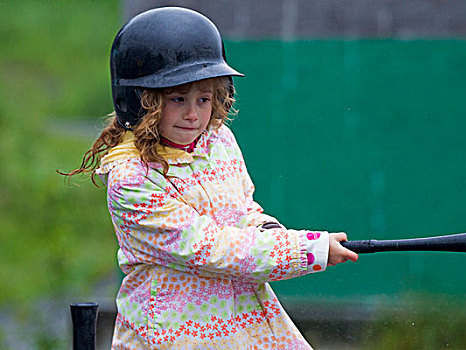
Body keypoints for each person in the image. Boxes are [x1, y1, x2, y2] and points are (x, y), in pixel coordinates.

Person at [63, 6, 358, 349]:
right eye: (177, 99)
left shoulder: (218, 141)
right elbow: (211, 247)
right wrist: (308, 249)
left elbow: (242, 212)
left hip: (242, 320)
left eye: (203, 99)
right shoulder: (131, 177)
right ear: (143, 101)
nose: (193, 114)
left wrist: (275, 234)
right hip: (173, 333)